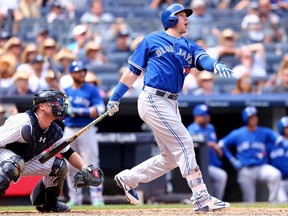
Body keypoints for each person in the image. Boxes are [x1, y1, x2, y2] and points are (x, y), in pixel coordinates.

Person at [106, 3, 232, 213]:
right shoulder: (151, 40)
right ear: (171, 19)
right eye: (182, 15)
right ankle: (201, 197)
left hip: (171, 102)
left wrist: (215, 64)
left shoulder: (189, 45)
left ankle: (128, 179)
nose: (187, 19)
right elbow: (132, 72)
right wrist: (115, 97)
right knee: (184, 142)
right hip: (153, 98)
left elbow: (204, 59)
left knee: (171, 158)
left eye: (186, 15)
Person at [0, 89, 102, 212]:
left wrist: (85, 168)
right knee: (14, 163)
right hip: (5, 159)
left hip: (21, 162)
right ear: (41, 106)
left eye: (59, 102)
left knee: (59, 166)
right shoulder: (23, 122)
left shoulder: (55, 131)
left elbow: (68, 153)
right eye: (54, 102)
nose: (59, 105)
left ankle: (49, 203)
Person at [219, 106, 284, 203]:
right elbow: (222, 144)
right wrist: (232, 160)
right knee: (249, 200)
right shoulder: (238, 133)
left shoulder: (264, 132)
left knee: (275, 174)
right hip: (245, 169)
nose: (254, 119)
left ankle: (273, 202)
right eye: (251, 117)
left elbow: (280, 141)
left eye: (255, 116)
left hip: (261, 167)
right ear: (246, 118)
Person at [64, 61, 105, 207]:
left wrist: (79, 111)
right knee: (70, 165)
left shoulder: (91, 89)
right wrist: (65, 109)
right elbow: (60, 113)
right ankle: (75, 198)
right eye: (78, 71)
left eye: (83, 71)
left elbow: (100, 109)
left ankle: (96, 197)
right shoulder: (66, 91)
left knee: (91, 162)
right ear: (71, 74)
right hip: (69, 129)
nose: (82, 74)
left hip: (87, 128)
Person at [187, 104, 228, 200]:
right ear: (196, 116)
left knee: (216, 181)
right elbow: (192, 144)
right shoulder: (192, 129)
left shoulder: (210, 128)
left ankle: (215, 200)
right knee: (221, 176)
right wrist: (211, 144)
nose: (206, 117)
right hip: (200, 166)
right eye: (203, 115)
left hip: (213, 163)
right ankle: (216, 200)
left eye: (207, 115)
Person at [267, 116, 288, 202]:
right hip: (278, 180)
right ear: (281, 128)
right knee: (282, 201)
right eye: (287, 127)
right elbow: (266, 161)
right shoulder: (272, 144)